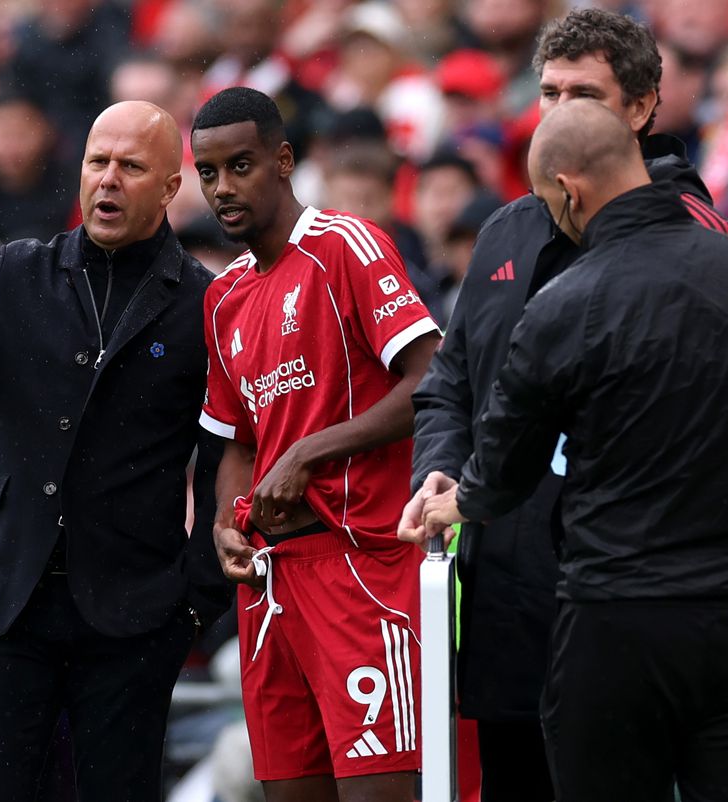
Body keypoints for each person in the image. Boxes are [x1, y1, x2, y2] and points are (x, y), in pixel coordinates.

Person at [407, 99, 728, 802]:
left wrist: (458, 498)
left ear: (570, 191)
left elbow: (506, 464)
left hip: (621, 613)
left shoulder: (566, 300)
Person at [401, 9, 728, 799]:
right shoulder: (505, 231)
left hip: (639, 599)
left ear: (643, 106)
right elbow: (449, 383)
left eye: (583, 94)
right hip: (509, 600)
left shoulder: (702, 240)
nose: (559, 113)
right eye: (548, 93)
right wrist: (441, 469)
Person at [0, 100, 232, 801]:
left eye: (132, 167)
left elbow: (224, 456)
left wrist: (194, 602)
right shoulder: (15, 272)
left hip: (130, 614)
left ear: (169, 188)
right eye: (98, 162)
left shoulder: (206, 303)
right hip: (5, 597)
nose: (108, 180)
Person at [191, 87, 441, 802]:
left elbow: (432, 378)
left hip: (361, 570)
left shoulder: (344, 245)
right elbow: (236, 439)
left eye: (240, 166)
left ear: (284, 160)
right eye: (208, 173)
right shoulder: (224, 296)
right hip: (270, 585)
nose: (224, 188)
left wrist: (308, 453)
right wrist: (223, 520)